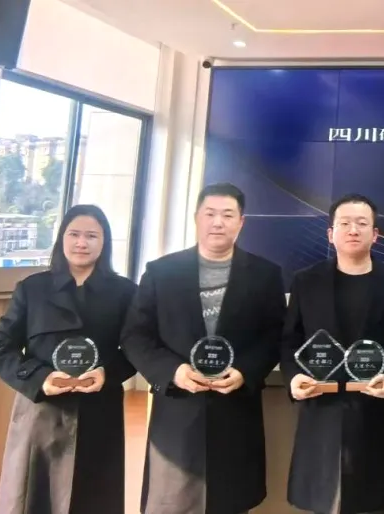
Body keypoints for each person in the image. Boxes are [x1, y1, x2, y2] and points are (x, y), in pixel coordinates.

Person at [121, 183, 287, 514]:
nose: (218, 222)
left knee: (231, 500)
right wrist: (174, 371)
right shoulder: (161, 272)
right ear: (197, 217)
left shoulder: (265, 275)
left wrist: (245, 371)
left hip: (235, 409)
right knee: (173, 502)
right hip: (178, 408)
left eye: (228, 215)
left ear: (241, 222)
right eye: (210, 214)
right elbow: (136, 335)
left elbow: (276, 335)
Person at [0, 204, 138, 514]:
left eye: (92, 236)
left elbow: (137, 348)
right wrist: (39, 378)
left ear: (104, 242)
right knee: (33, 500)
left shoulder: (125, 292)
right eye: (74, 234)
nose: (81, 243)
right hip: (41, 413)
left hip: (98, 412)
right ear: (61, 238)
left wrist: (107, 373)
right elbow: (0, 345)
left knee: (93, 499)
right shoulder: (32, 288)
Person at [280, 193, 384, 514]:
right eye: (344, 223)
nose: (353, 230)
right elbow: (289, 340)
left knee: (375, 503)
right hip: (321, 410)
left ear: (375, 234)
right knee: (324, 501)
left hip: (376, 412)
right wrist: (294, 377)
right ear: (331, 233)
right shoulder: (306, 281)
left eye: (362, 223)